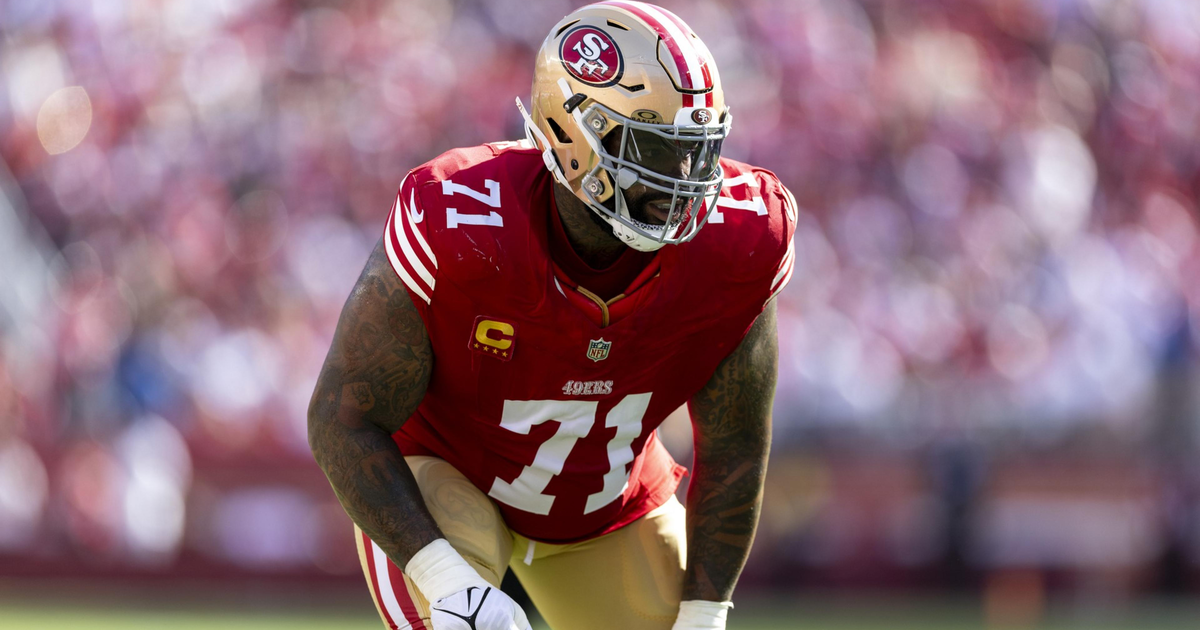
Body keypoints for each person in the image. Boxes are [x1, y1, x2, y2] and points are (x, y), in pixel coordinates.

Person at [308, 2, 796, 629]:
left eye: (696, 151)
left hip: (606, 507)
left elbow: (736, 448)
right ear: (573, 135)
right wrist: (445, 580)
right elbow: (342, 417)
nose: (683, 180)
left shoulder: (741, 238)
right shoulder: (462, 222)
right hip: (448, 483)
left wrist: (704, 614)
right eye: (653, 146)